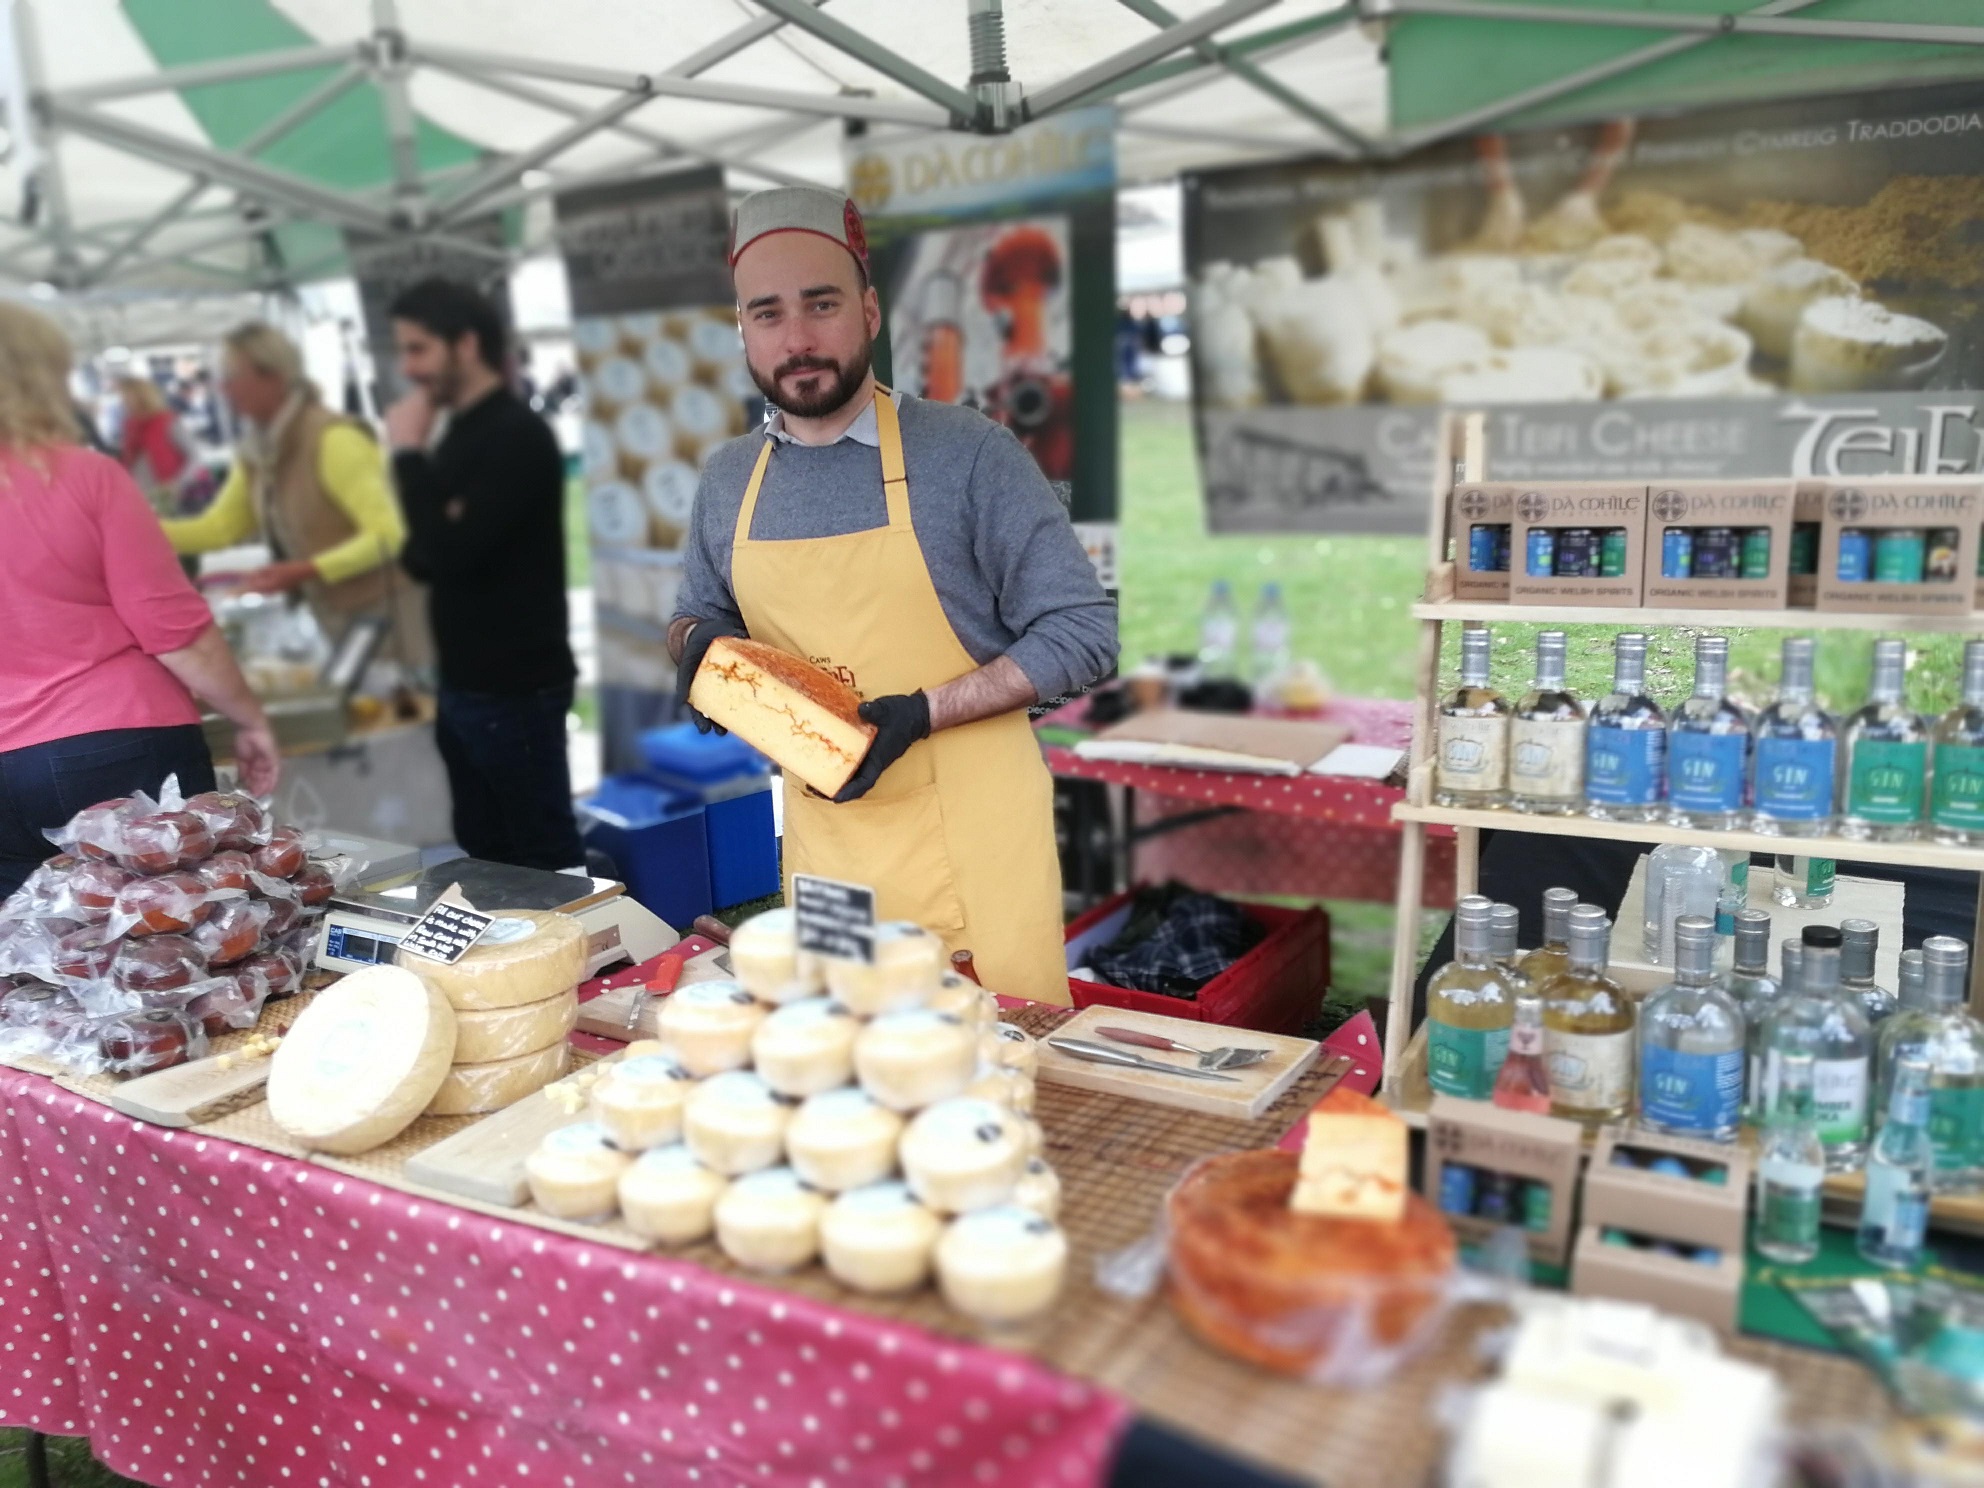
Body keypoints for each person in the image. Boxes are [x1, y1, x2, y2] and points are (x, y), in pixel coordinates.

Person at [670, 187, 1117, 1004]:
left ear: (871, 312)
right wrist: (701, 652)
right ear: (743, 331)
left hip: (971, 835)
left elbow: (1083, 630)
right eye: (767, 314)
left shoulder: (968, 454)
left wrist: (919, 713)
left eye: (822, 304)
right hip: (827, 837)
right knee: (847, 1057)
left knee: (986, 1073)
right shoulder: (730, 477)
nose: (797, 339)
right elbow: (697, 611)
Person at [0, 303, 278, 900]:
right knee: (170, 948)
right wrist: (250, 718)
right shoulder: (84, 477)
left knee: (33, 970)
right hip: (114, 745)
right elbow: (174, 629)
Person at [386, 277, 586, 875]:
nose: (409, 368)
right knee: (487, 846)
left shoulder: (514, 435)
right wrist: (438, 514)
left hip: (516, 688)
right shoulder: (463, 435)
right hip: (468, 684)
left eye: (418, 349)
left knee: (544, 851)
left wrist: (407, 456)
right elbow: (423, 557)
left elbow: (446, 554)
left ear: (465, 345)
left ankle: (586, 959)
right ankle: (515, 961)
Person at [161, 322, 422, 659]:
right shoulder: (259, 451)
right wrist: (129, 530)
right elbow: (221, 528)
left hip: (391, 619)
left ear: (274, 376)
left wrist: (308, 569)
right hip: (338, 620)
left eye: (232, 377)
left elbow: (388, 536)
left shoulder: (333, 439)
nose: (224, 389)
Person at [114, 374, 191, 513]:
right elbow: (130, 461)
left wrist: (178, 484)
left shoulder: (168, 422)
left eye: (126, 396)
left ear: (141, 396)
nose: (122, 402)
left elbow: (195, 456)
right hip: (142, 498)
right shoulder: (130, 426)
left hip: (172, 497)